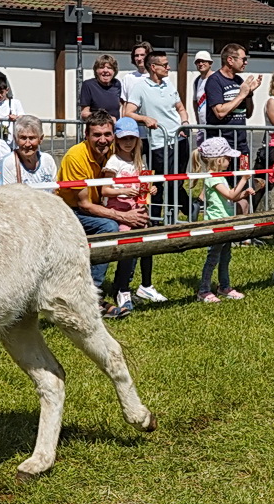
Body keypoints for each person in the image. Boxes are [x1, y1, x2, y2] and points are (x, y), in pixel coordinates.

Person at [59, 109, 137, 295]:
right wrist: (123, 215)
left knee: (138, 224)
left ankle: (123, 287)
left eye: (107, 134)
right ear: (86, 135)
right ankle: (93, 292)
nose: (103, 140)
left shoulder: (112, 151)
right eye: (97, 135)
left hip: (96, 206)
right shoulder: (75, 157)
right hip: (69, 212)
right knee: (109, 226)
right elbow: (84, 204)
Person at [102, 116, 160, 316]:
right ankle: (122, 289)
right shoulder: (113, 162)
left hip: (138, 208)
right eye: (124, 138)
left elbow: (143, 184)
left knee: (146, 245)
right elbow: (104, 190)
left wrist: (150, 189)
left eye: (132, 138)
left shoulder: (138, 161)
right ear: (116, 140)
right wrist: (123, 190)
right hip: (121, 211)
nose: (128, 142)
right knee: (128, 247)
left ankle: (144, 284)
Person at [122, 49, 184, 218]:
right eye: (165, 65)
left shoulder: (169, 84)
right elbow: (128, 112)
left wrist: (185, 123)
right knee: (158, 182)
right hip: (159, 142)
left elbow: (180, 108)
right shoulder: (140, 87)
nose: (168, 68)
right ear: (153, 67)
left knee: (177, 181)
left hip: (178, 139)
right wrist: (145, 119)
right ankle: (155, 218)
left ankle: (175, 214)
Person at [192, 135, 250, 301]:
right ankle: (203, 290)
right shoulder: (213, 178)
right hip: (217, 222)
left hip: (226, 220)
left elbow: (230, 198)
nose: (230, 161)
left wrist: (243, 193)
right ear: (218, 160)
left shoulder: (220, 176)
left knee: (226, 256)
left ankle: (224, 286)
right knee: (213, 257)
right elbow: (231, 195)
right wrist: (243, 180)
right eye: (227, 158)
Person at [201, 42, 261, 154]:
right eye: (243, 59)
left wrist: (249, 93)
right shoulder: (214, 80)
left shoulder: (239, 80)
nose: (246, 62)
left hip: (241, 144)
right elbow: (220, 112)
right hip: (221, 146)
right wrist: (241, 95)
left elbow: (248, 113)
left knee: (244, 172)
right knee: (224, 172)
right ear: (230, 60)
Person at [0, 114, 57, 187]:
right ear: (15, 139)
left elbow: (54, 190)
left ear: (40, 139)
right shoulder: (8, 163)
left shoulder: (48, 160)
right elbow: (6, 195)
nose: (27, 144)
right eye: (23, 138)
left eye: (32, 138)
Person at [78, 54, 124, 121]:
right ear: (96, 70)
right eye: (101, 67)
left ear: (114, 71)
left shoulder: (117, 84)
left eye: (109, 68)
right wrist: (107, 119)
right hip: (97, 128)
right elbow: (84, 114)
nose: (105, 70)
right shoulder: (88, 85)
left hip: (115, 129)